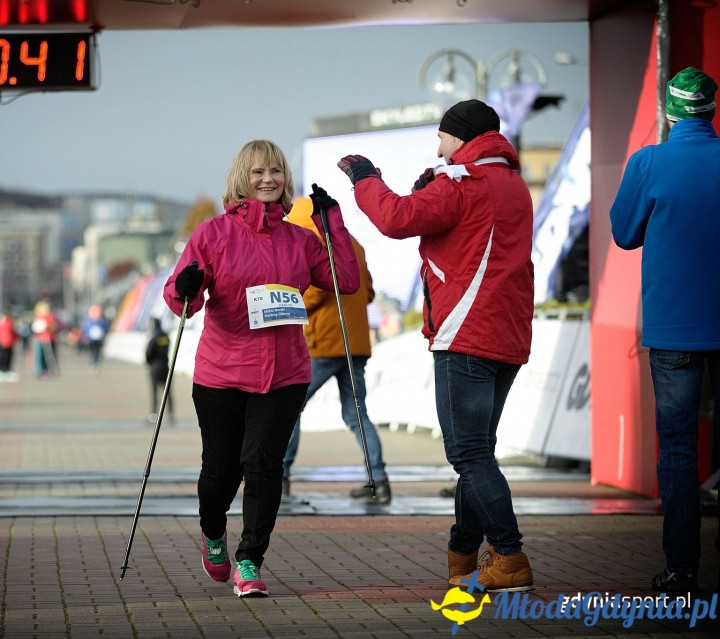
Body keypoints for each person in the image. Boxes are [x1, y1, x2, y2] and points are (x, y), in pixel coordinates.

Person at [338, 98, 535, 592]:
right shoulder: (512, 183)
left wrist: (365, 177)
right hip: (507, 332)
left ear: (461, 137)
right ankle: (464, 554)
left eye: (443, 138)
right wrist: (434, 183)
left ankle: (509, 556)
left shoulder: (463, 182)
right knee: (478, 451)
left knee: (467, 453)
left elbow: (395, 218)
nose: (439, 148)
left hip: (465, 333)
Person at [163, 139, 359, 598]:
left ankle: (249, 561)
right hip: (222, 373)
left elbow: (346, 281)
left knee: (265, 466)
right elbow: (182, 300)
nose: (268, 179)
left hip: (284, 373)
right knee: (220, 474)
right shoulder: (212, 234)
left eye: (275, 171)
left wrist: (331, 222)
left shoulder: (301, 239)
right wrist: (185, 287)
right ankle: (213, 534)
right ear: (241, 178)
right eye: (258, 172)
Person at [610, 66, 720, 594]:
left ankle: (682, 569)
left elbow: (624, 233)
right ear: (711, 110)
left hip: (673, 327)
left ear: (671, 111)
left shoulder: (649, 162)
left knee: (677, 448)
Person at [280, 198, 390, 503]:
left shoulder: (312, 243)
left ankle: (281, 476)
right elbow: (367, 292)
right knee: (357, 414)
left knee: (290, 406)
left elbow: (314, 293)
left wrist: (284, 302)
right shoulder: (353, 244)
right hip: (355, 344)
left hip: (324, 344)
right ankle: (378, 480)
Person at [144, 317, 172, 422]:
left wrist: (150, 363)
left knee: (154, 391)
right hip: (165, 366)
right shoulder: (166, 337)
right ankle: (171, 413)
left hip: (155, 367)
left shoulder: (153, 338)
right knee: (168, 391)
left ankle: (153, 414)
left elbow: (148, 353)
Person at [31, 301, 58, 377]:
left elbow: (53, 327)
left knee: (48, 356)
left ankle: (49, 369)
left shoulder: (50, 317)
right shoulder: (37, 317)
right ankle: (40, 370)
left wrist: (48, 328)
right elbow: (35, 327)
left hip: (48, 339)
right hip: (39, 339)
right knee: (39, 356)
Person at [0, 309, 19, 382]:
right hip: (3, 343)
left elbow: (13, 332)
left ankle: (7, 370)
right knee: (2, 358)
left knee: (8, 357)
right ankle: (0, 371)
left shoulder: (8, 322)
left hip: (9, 342)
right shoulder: (1, 323)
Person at [83, 305, 108, 372]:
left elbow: (105, 330)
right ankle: (93, 363)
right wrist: (85, 337)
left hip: (99, 340)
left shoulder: (102, 322)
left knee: (97, 352)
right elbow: (85, 330)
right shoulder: (89, 322)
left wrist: (104, 337)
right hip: (91, 340)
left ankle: (96, 363)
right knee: (93, 352)